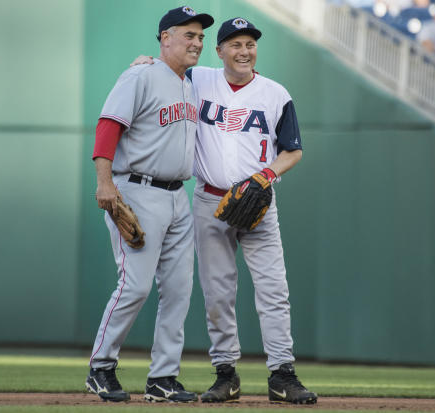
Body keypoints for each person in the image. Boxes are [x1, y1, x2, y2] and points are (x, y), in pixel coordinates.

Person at [132, 17, 317, 405]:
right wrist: (144, 63)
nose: (244, 51)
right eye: (235, 45)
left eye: (250, 44)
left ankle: (282, 373)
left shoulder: (274, 93)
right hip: (210, 201)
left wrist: (265, 175)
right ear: (219, 51)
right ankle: (226, 374)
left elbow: (293, 150)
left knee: (274, 290)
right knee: (217, 293)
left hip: (259, 202)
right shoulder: (199, 80)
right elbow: (165, 70)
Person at [85, 6, 213, 403]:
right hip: (137, 190)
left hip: (178, 197)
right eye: (188, 34)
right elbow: (109, 125)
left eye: (200, 37)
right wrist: (105, 184)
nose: (196, 42)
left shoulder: (190, 84)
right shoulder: (140, 75)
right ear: (164, 38)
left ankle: (163, 378)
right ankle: (101, 367)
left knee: (178, 291)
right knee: (135, 285)